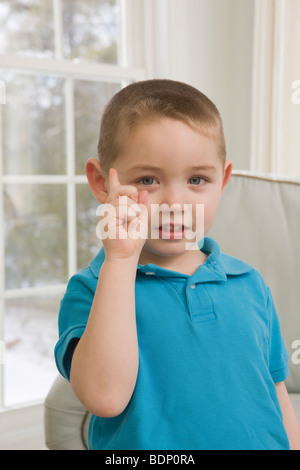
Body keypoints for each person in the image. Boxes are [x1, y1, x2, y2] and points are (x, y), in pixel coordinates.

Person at [55, 79, 300, 450]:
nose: (175, 201)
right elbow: (104, 397)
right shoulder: (92, 289)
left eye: (197, 179)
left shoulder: (250, 284)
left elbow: (276, 393)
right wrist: (120, 260)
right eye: (148, 180)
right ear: (102, 183)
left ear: (223, 181)